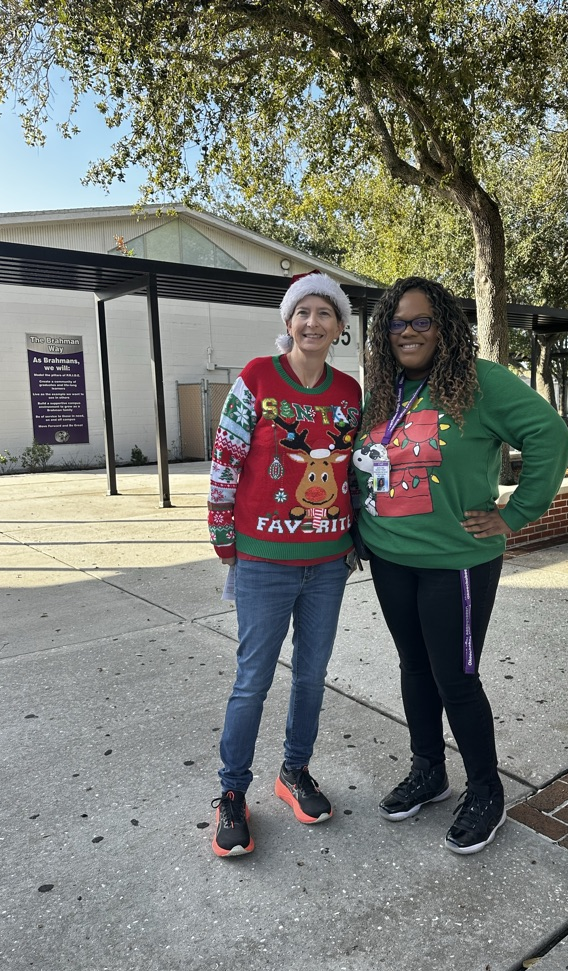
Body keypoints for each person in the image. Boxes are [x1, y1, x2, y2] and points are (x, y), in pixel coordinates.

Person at [352, 277, 568, 855]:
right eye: (397, 323)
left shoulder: (480, 382)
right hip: (390, 557)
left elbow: (549, 435)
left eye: (422, 321)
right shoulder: (383, 389)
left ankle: (485, 790)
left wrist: (515, 514)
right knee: (414, 668)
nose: (408, 332)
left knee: (456, 677)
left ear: (445, 327)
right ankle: (429, 769)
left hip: (457, 564)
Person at [207, 271, 362, 858]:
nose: (313, 323)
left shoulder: (350, 393)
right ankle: (231, 793)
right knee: (253, 681)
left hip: (327, 563)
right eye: (304, 312)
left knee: (312, 676)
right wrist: (226, 541)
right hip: (263, 560)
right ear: (288, 321)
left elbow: (356, 472)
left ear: (340, 327)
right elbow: (226, 459)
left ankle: (294, 772)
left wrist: (356, 539)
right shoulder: (255, 378)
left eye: (326, 313)